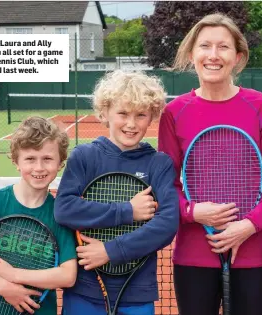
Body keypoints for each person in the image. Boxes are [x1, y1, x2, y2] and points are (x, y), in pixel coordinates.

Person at [158, 13, 262, 315]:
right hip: (194, 254)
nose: (213, 55)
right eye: (205, 46)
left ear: (238, 56)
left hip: (253, 251)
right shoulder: (174, 112)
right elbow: (165, 183)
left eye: (223, 47)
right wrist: (192, 212)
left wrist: (250, 224)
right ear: (192, 54)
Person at [54, 70, 179, 315]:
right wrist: (127, 211)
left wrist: (109, 251)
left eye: (141, 115)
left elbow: (167, 223)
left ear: (151, 117)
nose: (131, 124)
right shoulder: (85, 156)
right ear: (105, 113)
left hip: (137, 292)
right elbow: (64, 209)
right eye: (123, 113)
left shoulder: (159, 164)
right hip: (85, 289)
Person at [0, 116, 78, 315]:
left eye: (47, 159)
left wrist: (15, 275)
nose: (39, 167)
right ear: (16, 161)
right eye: (30, 159)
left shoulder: (60, 213)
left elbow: (67, 275)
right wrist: (6, 288)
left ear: (60, 163)